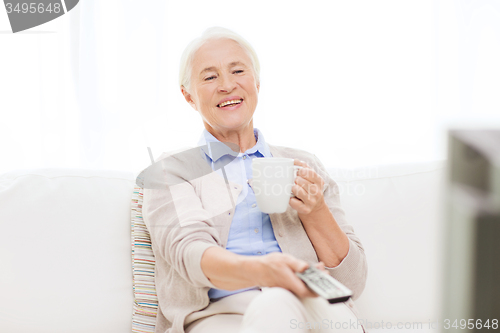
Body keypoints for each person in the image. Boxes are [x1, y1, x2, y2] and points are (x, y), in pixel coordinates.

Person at [141, 27, 367, 333]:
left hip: (313, 307)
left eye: (238, 71)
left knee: (297, 307)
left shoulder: (304, 165)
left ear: (257, 82)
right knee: (274, 304)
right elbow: (190, 254)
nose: (227, 85)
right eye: (210, 77)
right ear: (188, 96)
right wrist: (264, 272)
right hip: (219, 316)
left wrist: (315, 212)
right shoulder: (174, 170)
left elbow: (350, 283)